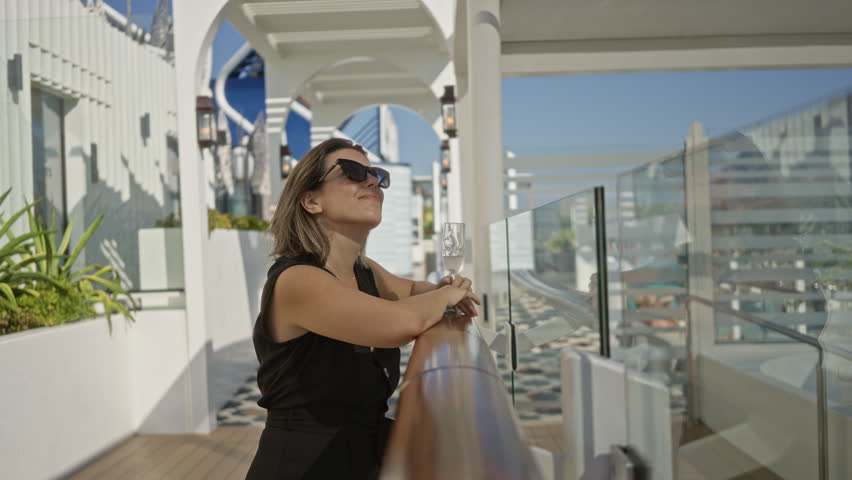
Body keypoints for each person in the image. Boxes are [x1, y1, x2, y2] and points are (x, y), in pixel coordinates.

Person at [246, 138, 480, 479]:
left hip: (362, 455)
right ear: (311, 200)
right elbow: (400, 323)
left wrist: (440, 289)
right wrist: (444, 297)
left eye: (377, 175)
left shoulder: (364, 270)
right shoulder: (297, 280)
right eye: (353, 172)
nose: (372, 181)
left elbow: (412, 290)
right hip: (304, 466)